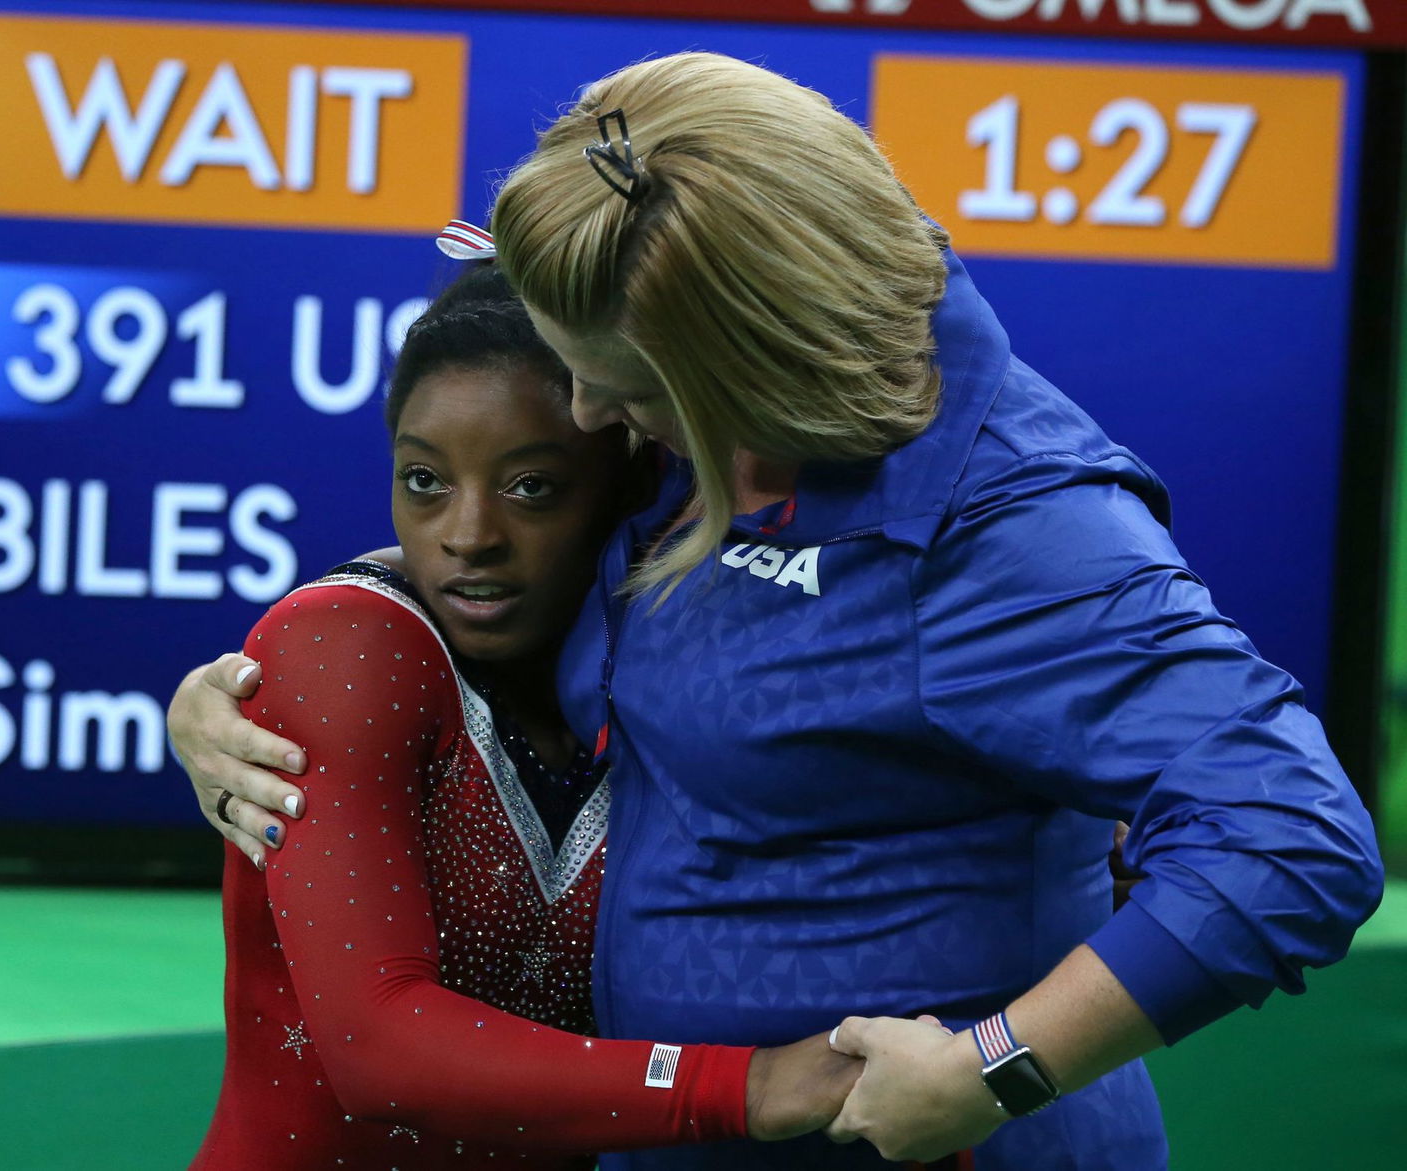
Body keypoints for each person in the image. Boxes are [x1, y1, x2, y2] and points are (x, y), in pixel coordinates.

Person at [173, 54, 1384, 1169]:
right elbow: (552, 555)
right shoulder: (704, 424)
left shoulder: (1017, 534)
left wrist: (992, 1067)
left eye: (623, 382)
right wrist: (291, 661)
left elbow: (1292, 836)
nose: (587, 407)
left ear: (745, 354)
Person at [185, 255, 861, 1170]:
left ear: (632, 483)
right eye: (424, 479)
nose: (467, 535)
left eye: (531, 486)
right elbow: (377, 1048)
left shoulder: (682, 653)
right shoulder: (345, 646)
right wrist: (755, 1085)